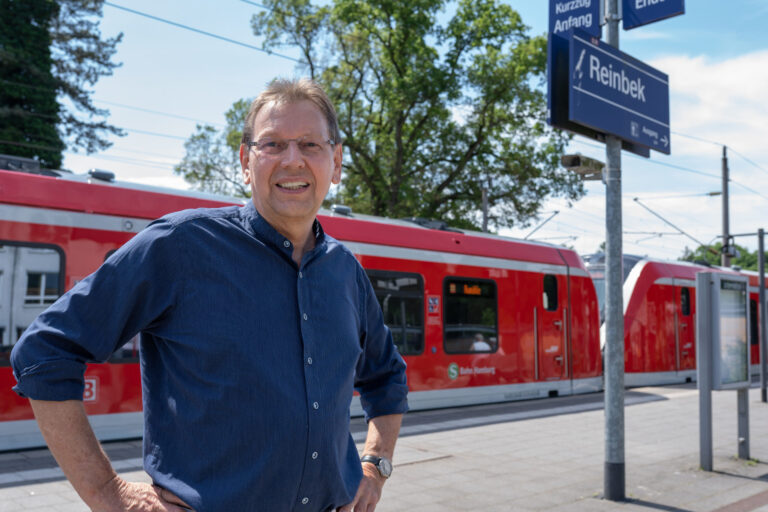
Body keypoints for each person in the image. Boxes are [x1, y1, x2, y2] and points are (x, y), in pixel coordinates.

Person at [10, 78, 408, 512]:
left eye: (311, 144)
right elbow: (44, 351)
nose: (292, 160)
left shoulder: (346, 272)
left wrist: (375, 465)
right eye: (272, 144)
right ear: (245, 160)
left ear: (337, 162)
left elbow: (387, 377)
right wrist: (109, 491)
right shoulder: (180, 246)